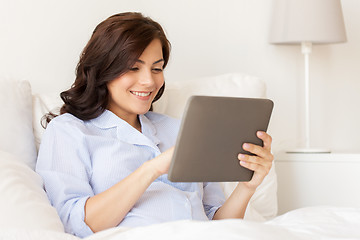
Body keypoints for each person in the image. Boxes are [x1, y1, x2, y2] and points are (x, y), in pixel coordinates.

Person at [36, 12, 274, 238]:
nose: (149, 81)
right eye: (133, 68)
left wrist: (247, 186)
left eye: (157, 68)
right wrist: (153, 169)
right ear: (103, 70)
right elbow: (75, 224)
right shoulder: (69, 131)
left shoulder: (183, 130)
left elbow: (217, 223)